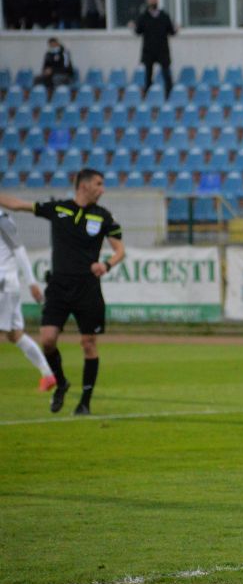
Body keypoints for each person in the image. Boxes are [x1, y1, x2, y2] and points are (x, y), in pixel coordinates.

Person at [0, 169, 125, 415]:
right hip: (58, 286)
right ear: (84, 185)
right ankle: (61, 382)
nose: (103, 189)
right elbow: (17, 205)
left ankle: (84, 403)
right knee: (47, 339)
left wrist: (106, 264)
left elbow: (120, 250)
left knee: (88, 343)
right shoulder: (59, 209)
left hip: (88, 288)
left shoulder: (103, 217)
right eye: (99, 184)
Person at [0, 208, 56, 392]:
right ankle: (48, 375)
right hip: (9, 284)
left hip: (3, 284)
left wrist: (32, 282)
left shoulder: (2, 219)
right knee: (14, 334)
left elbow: (20, 250)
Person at [131, 0, 177, 98]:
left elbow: (171, 31)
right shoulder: (144, 17)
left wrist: (176, 29)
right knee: (148, 76)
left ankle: (169, 96)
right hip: (149, 51)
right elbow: (138, 31)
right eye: (150, 1)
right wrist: (133, 27)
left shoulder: (164, 16)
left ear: (157, 1)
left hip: (162, 50)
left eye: (154, 0)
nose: (152, 2)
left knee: (167, 75)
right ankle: (149, 96)